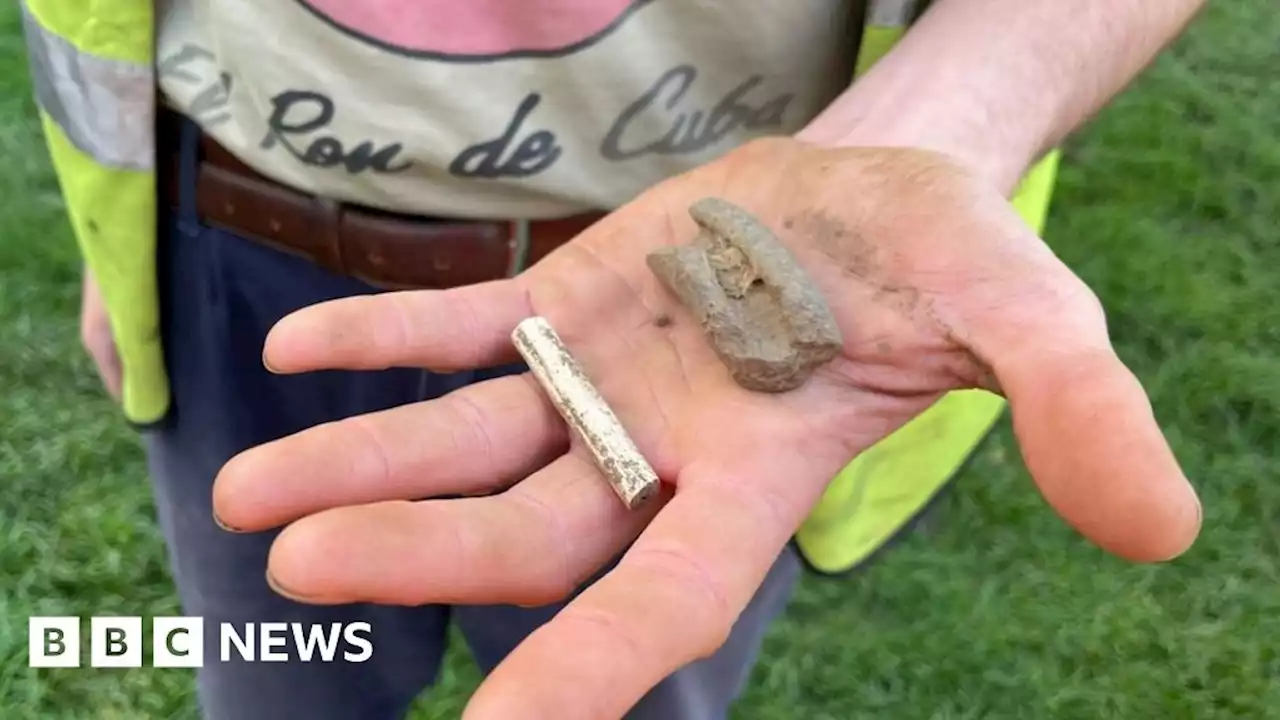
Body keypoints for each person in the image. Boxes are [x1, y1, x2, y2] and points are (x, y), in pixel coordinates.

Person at [24, 0, 1204, 718]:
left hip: (675, 332)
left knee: (623, 687)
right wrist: (121, 233)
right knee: (281, 660)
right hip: (229, 246)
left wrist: (929, 138)